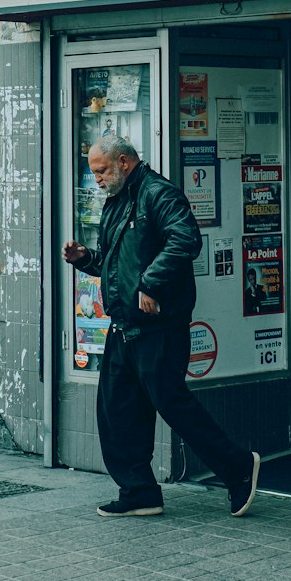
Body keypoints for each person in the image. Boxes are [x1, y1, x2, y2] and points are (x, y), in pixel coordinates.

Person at [63, 135, 261, 519]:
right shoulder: (119, 201)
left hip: (158, 324)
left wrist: (151, 284)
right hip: (124, 324)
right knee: (116, 410)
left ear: (123, 162)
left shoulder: (159, 194)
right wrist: (86, 258)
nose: (97, 179)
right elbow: (120, 262)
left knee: (172, 402)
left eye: (101, 171)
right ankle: (139, 492)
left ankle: (238, 468)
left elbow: (185, 240)